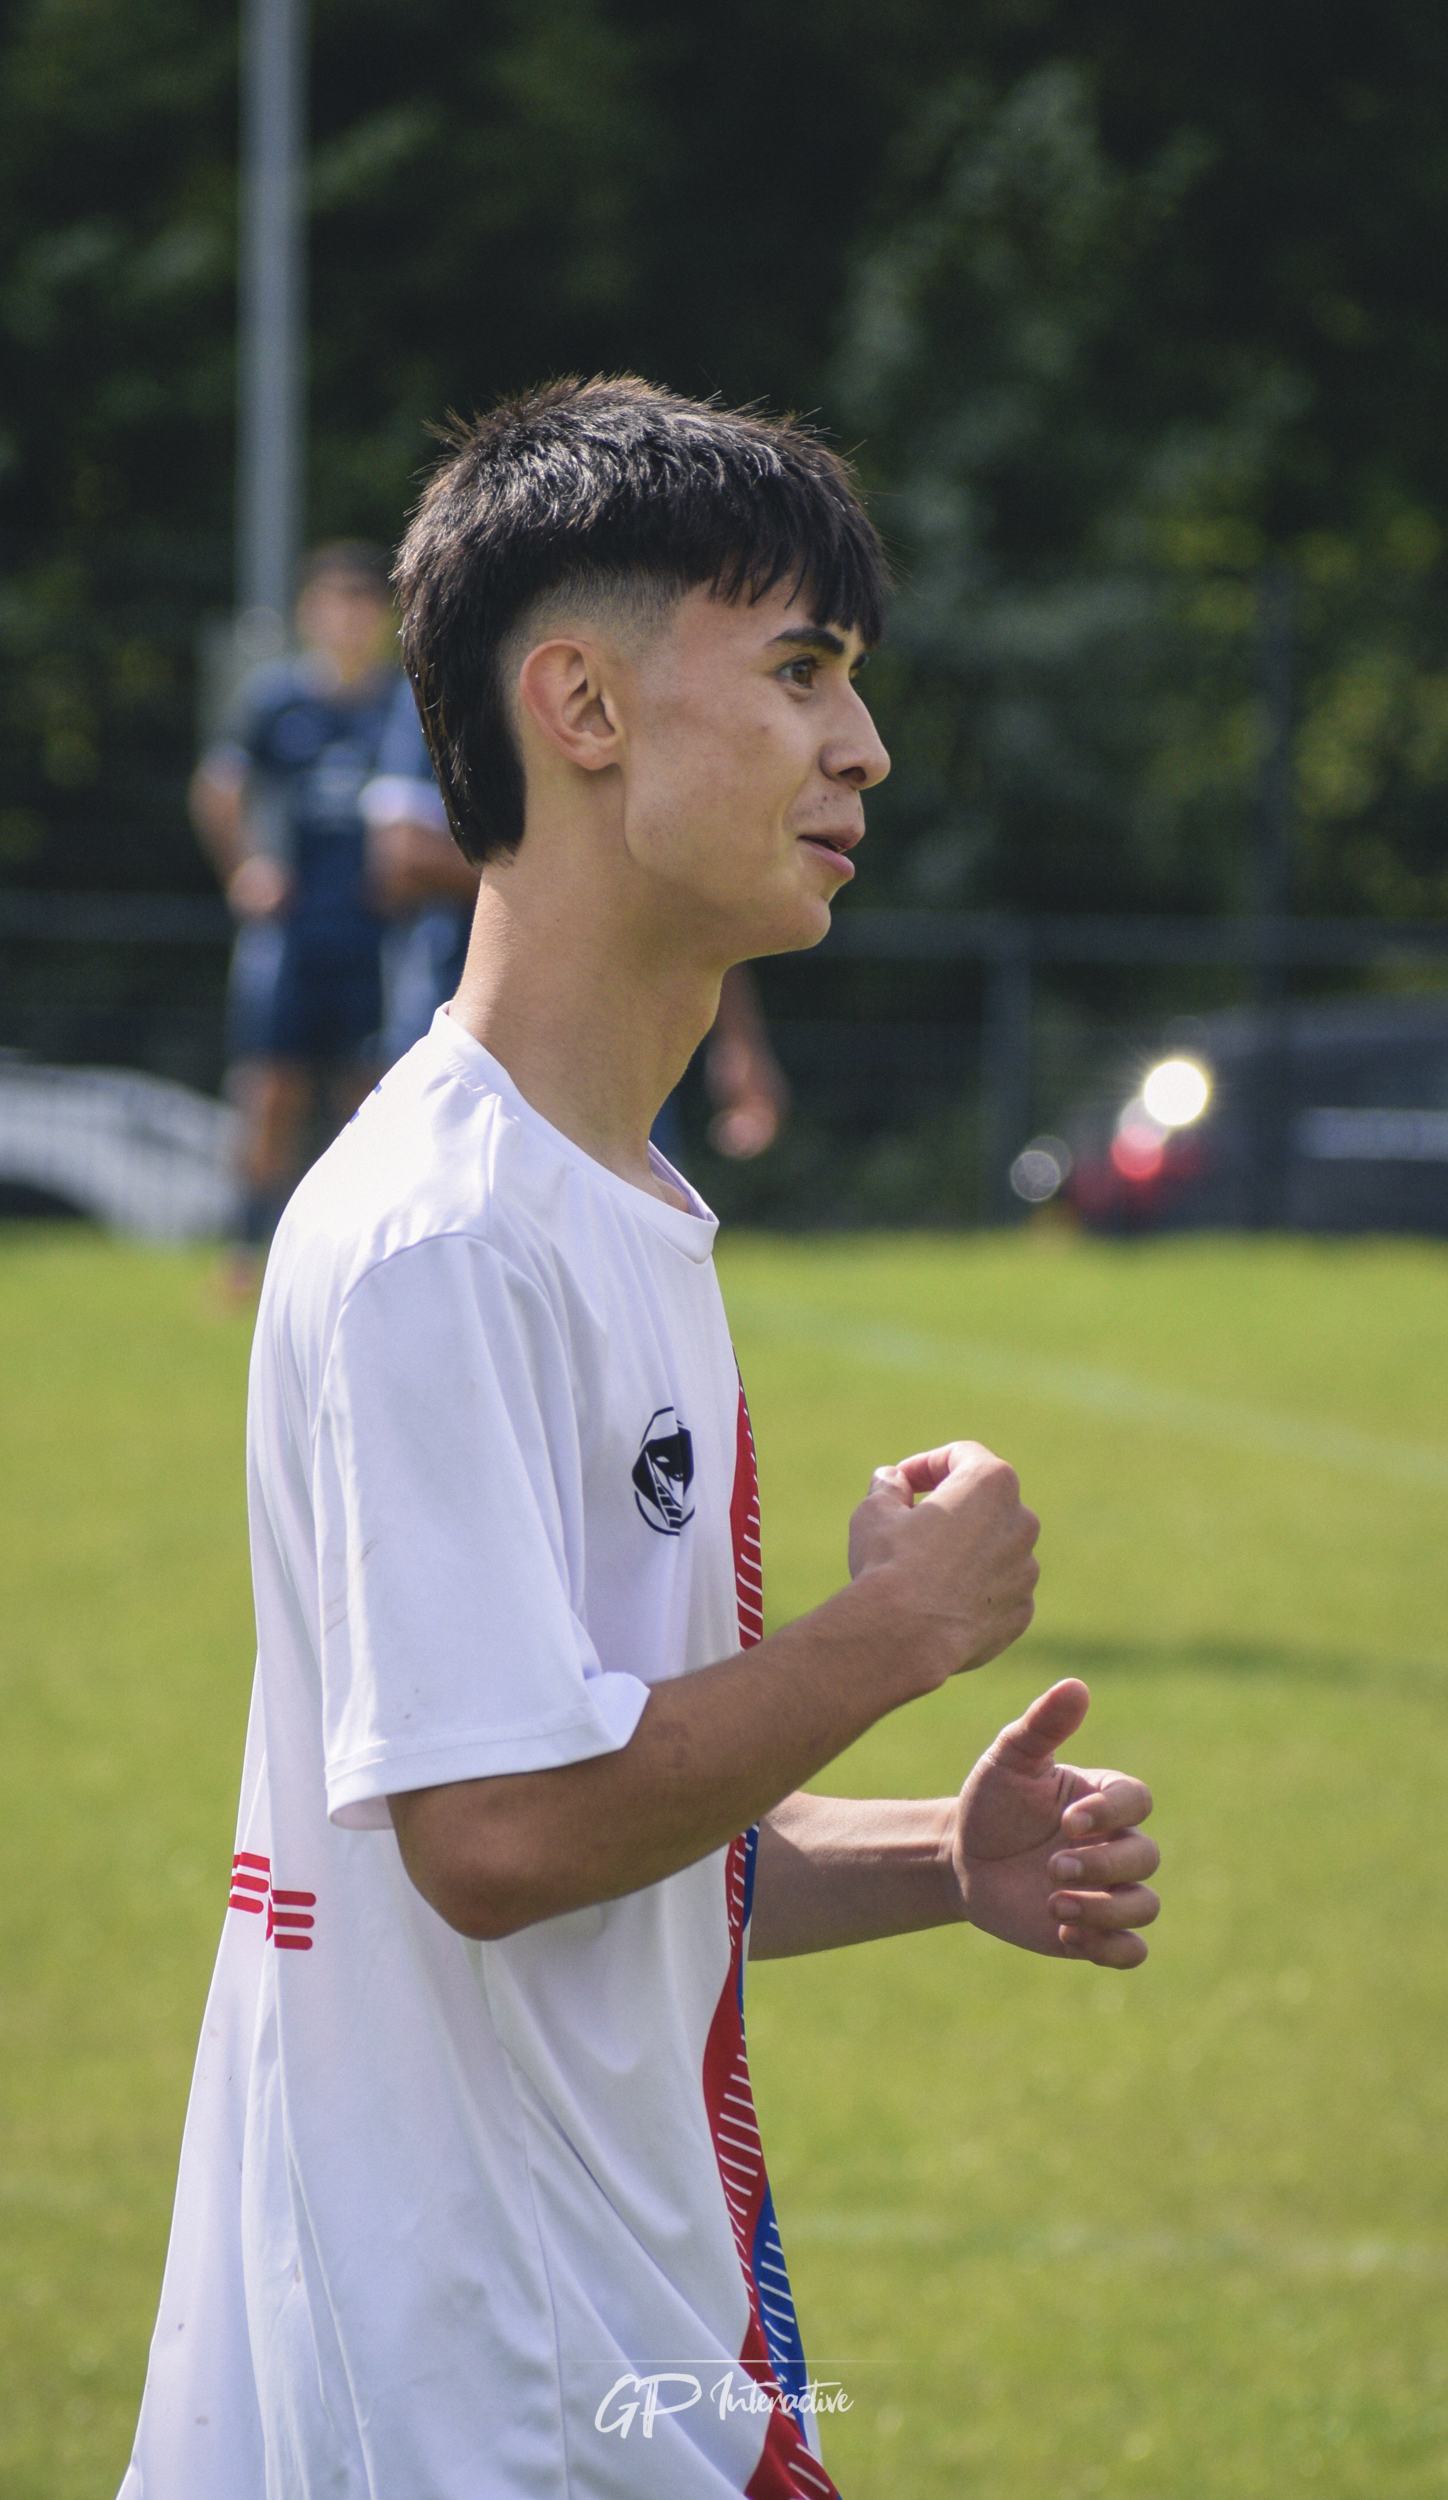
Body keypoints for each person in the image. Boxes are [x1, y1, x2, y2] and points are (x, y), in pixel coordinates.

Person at [121, 378, 1160, 2500]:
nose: (858, 746)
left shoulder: (614, 1203)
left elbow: (597, 1807)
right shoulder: (442, 1234)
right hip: (470, 2394)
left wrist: (925, 1861)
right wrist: (888, 1638)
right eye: (797, 673)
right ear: (578, 704)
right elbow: (496, 1835)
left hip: (607, 2353)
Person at [364, 675, 793, 1151]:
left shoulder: (641, 684)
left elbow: (677, 884)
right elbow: (402, 857)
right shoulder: (451, 684)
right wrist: (606, 881)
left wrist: (739, 1041)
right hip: (464, 1031)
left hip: (615, 1036)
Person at [190, 542, 410, 1285]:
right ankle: (247, 1250)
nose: (349, 618)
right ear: (309, 613)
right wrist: (247, 868)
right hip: (288, 932)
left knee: (370, 1095)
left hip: (376, 934)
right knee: (270, 1092)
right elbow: (217, 792)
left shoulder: (402, 707)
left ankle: (356, 1253)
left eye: (363, 603)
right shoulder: (275, 700)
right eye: (335, 602)